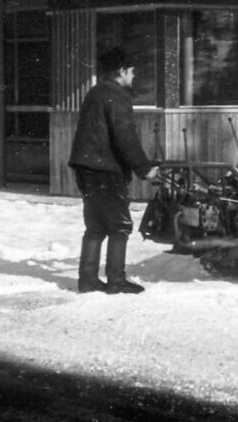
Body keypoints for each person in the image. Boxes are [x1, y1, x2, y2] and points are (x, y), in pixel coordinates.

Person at [69, 48, 159, 294]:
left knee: (95, 226)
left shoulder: (95, 92)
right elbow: (125, 138)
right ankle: (116, 281)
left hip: (86, 168)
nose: (134, 76)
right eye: (131, 71)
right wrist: (145, 169)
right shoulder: (117, 96)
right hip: (105, 170)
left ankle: (87, 280)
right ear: (121, 71)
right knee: (120, 226)